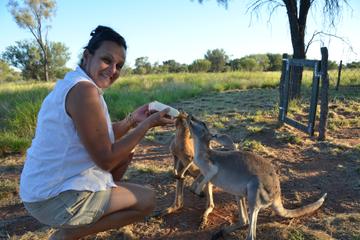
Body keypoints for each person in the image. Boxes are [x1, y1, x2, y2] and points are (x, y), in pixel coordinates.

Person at [19, 25, 174, 240]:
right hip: (52, 199)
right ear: (87, 55)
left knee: (124, 157)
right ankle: (66, 235)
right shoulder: (84, 91)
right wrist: (145, 125)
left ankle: (93, 208)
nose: (113, 70)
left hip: (41, 190)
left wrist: (131, 121)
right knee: (147, 200)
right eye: (107, 60)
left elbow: (99, 136)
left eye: (119, 65)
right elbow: (105, 160)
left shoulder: (75, 83)